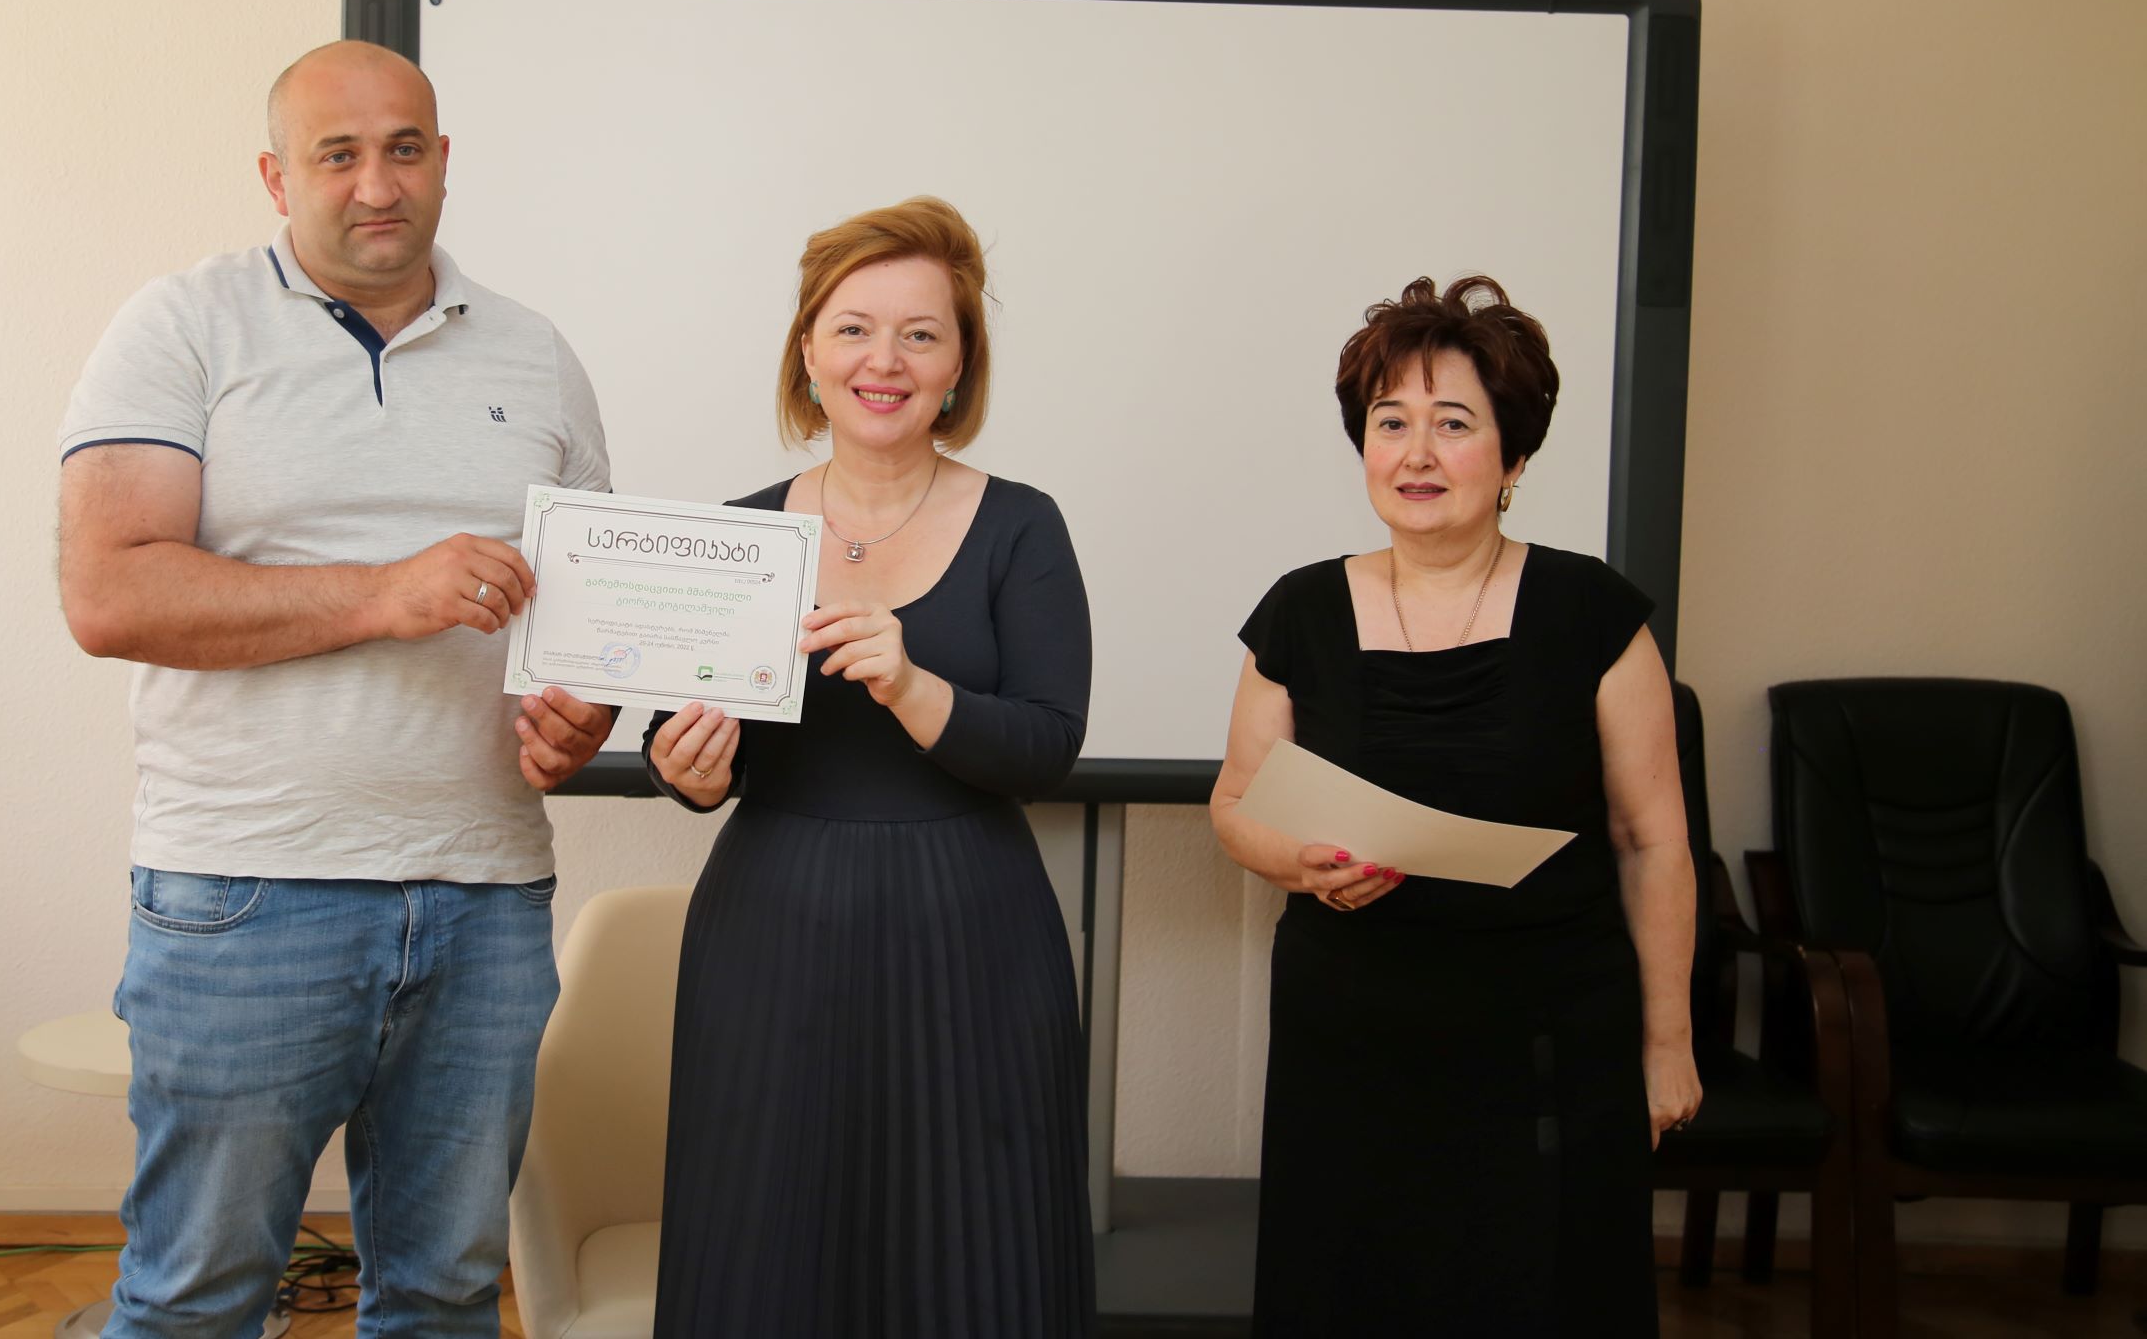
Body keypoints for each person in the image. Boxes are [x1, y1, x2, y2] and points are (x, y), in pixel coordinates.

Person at [55, 40, 617, 1339]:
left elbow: (585, 619)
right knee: (194, 1300)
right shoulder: (181, 326)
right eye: (338, 155)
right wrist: (381, 594)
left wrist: (581, 715)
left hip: (486, 899)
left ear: (443, 161)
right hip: (249, 891)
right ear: (276, 177)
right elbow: (109, 592)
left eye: (405, 149)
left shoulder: (535, 355)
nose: (378, 184)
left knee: (445, 1297)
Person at [1208, 275, 1699, 1338]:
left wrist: (1668, 1042)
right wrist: (1295, 863)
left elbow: (1651, 839)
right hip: (1353, 1036)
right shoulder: (1300, 609)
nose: (1416, 453)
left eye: (1454, 423)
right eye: (1391, 422)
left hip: (1547, 1037)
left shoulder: (1592, 613)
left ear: (1513, 458)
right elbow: (1237, 801)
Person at [643, 197, 1097, 1338]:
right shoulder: (740, 532)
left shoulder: (1023, 526)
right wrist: (688, 770)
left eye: (920, 334)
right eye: (853, 329)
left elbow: (1048, 745)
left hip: (974, 936)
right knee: (764, 1248)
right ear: (809, 351)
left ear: (959, 366)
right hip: (771, 933)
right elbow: (677, 742)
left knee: (975, 1258)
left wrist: (910, 684)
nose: (882, 361)